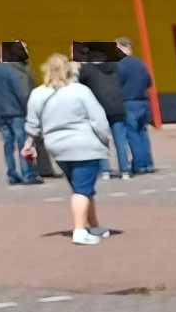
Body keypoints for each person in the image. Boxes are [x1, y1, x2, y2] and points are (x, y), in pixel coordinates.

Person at [25, 53, 118, 245]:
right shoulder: (80, 91)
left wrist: (29, 143)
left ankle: (94, 226)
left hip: (57, 146)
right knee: (82, 190)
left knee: (82, 187)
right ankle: (80, 231)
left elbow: (32, 123)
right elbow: (98, 120)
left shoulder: (37, 94)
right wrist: (105, 140)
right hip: (85, 145)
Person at [0, 42, 37, 184]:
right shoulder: (12, 71)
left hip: (1, 112)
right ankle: (27, 174)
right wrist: (28, 110)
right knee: (23, 143)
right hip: (17, 111)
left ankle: (12, 174)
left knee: (8, 144)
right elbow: (21, 92)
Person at [78, 47, 130, 175]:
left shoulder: (87, 69)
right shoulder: (116, 66)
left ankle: (105, 170)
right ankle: (124, 170)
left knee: (100, 140)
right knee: (120, 141)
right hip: (117, 107)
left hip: (98, 108)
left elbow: (80, 85)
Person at [113, 37, 156, 175]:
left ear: (121, 47)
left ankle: (139, 164)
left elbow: (116, 83)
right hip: (143, 102)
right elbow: (149, 83)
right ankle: (148, 163)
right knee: (142, 133)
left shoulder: (120, 64)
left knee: (132, 133)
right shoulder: (141, 64)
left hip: (128, 102)